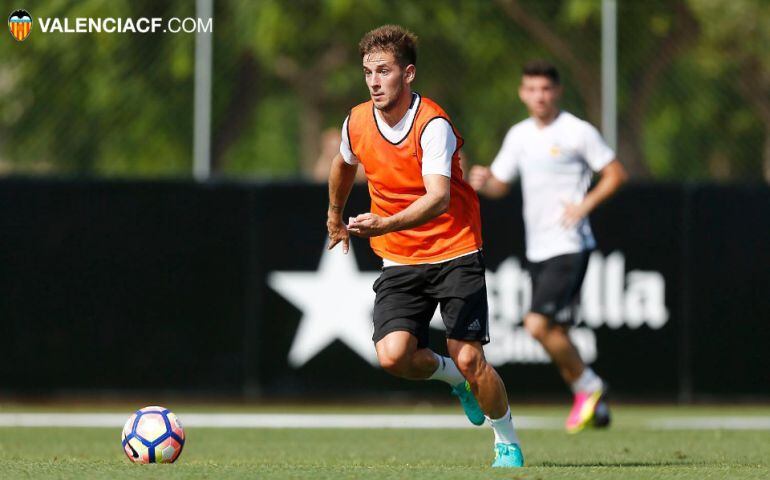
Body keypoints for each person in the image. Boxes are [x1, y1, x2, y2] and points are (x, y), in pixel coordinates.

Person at [326, 25, 524, 467]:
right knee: (393, 356)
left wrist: (383, 223)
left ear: (408, 74)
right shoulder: (356, 121)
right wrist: (334, 214)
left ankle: (506, 439)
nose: (375, 82)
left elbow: (437, 199)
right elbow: (343, 164)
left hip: (454, 250)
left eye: (384, 71)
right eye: (368, 72)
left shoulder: (433, 124)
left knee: (472, 358)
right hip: (400, 259)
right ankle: (453, 379)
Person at [470, 60, 628, 434]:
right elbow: (501, 185)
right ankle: (595, 404)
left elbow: (615, 173)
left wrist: (584, 206)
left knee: (538, 324)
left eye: (546, 89)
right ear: (523, 93)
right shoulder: (520, 135)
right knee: (555, 329)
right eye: (532, 89)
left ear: (556, 92)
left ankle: (589, 387)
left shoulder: (577, 131)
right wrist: (482, 180)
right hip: (538, 248)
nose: (539, 96)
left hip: (570, 243)